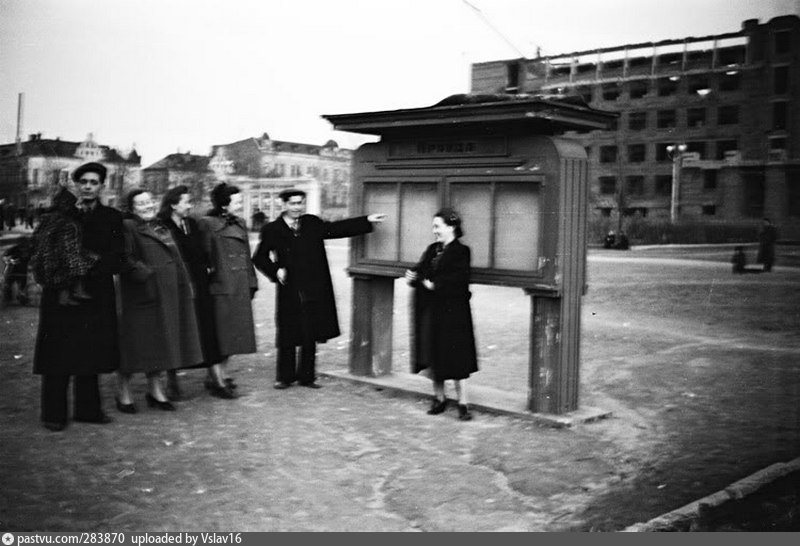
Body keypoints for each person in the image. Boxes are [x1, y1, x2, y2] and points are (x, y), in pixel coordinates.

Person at [252, 189, 386, 390]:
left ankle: (307, 377)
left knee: (309, 331)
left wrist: (366, 221)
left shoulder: (311, 223)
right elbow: (259, 257)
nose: (297, 207)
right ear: (284, 205)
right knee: (288, 331)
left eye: (300, 203)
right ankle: (285, 377)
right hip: (289, 288)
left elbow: (336, 228)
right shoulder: (272, 229)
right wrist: (275, 270)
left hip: (313, 286)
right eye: (293, 203)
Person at [32, 162, 124, 432]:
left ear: (101, 186)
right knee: (56, 353)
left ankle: (88, 410)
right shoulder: (59, 214)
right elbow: (43, 247)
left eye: (93, 182)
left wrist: (87, 267)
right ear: (76, 184)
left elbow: (117, 255)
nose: (87, 187)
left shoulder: (111, 217)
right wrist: (64, 272)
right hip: (59, 292)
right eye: (83, 182)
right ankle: (54, 414)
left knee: (90, 351)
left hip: (94, 293)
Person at [116, 189, 203, 413]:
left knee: (159, 343)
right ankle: (123, 391)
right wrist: (146, 276)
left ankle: (155, 390)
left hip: (167, 294)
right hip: (142, 294)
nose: (147, 206)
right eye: (141, 204)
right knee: (133, 344)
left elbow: (175, 257)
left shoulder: (159, 226)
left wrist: (184, 284)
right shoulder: (128, 226)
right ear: (131, 208)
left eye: (149, 201)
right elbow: (123, 257)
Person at [158, 186, 234, 400]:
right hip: (176, 285)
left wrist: (208, 268)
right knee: (178, 331)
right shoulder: (161, 226)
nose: (190, 205)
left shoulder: (191, 224)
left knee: (208, 331)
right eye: (186, 202)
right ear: (173, 204)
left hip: (199, 285)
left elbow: (202, 251)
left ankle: (217, 381)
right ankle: (172, 382)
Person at [405, 208, 478, 421]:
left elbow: (460, 279)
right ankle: (439, 398)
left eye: (437, 226)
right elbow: (420, 270)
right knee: (434, 353)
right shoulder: (433, 249)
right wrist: (412, 276)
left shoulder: (462, 251)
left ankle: (463, 403)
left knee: (457, 356)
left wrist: (435, 285)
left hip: (454, 312)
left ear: (451, 227)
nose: (434, 230)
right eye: (433, 226)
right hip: (432, 311)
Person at [196, 183, 258, 392]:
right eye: (237, 201)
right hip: (221, 286)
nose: (240, 205)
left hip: (239, 285)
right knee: (220, 334)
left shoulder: (240, 222)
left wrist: (252, 282)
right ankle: (216, 379)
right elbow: (202, 256)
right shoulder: (207, 223)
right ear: (224, 204)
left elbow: (246, 255)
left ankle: (220, 373)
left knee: (233, 333)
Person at [29, 187, 97, 306]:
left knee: (78, 261)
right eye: (72, 204)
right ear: (66, 205)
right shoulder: (67, 222)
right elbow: (68, 248)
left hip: (42, 260)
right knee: (83, 262)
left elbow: (34, 239)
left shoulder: (47, 219)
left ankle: (68, 295)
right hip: (54, 262)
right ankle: (72, 293)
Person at [2, 235, 32, 305]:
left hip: (22, 272)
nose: (24, 249)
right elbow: (5, 257)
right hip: (12, 271)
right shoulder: (13, 250)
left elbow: (32, 259)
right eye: (22, 246)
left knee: (22, 287)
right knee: (8, 285)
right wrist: (10, 260)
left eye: (25, 245)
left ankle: (22, 297)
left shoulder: (29, 250)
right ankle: (8, 298)